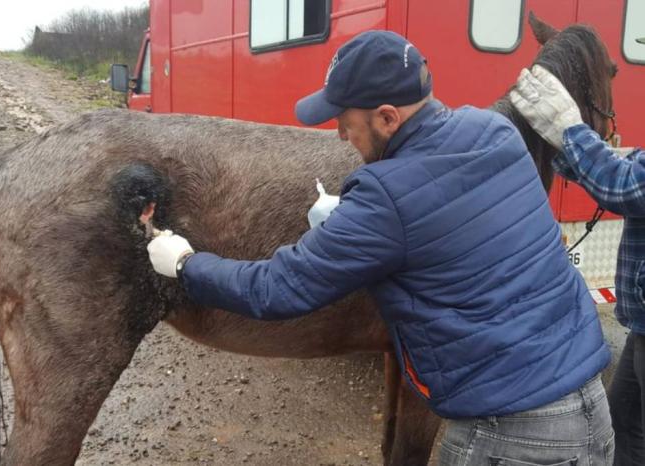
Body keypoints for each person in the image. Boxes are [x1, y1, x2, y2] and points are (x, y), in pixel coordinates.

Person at [149, 31, 613, 464]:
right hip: (591, 409)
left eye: (345, 122)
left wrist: (186, 264)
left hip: (512, 437)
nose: (338, 135)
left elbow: (277, 289)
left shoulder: (385, 196)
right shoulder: (495, 133)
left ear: (388, 117)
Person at [511, 64, 640, 466]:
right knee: (625, 428)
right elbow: (630, 170)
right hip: (641, 326)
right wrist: (565, 144)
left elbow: (625, 186)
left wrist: (570, 131)